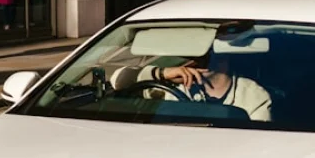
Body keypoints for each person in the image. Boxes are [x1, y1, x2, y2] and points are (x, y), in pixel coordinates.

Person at [114, 52, 272, 122]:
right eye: (195, 56)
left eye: (210, 56)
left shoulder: (253, 95)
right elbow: (118, 80)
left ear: (225, 58)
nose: (199, 62)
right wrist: (162, 73)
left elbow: (259, 142)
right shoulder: (175, 85)